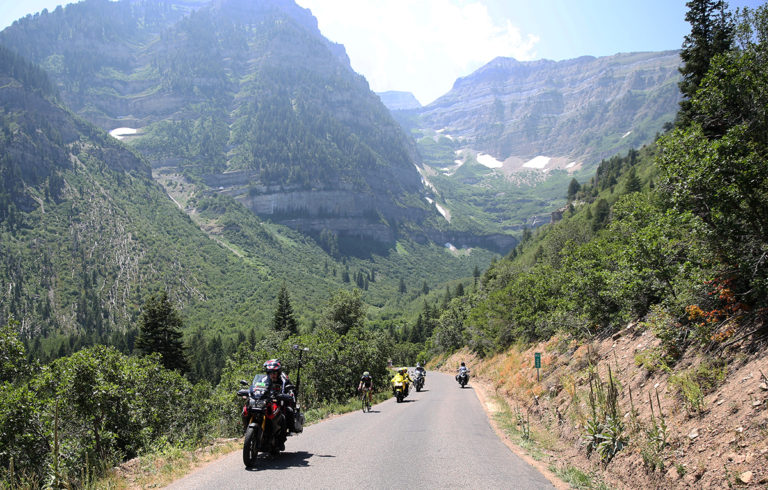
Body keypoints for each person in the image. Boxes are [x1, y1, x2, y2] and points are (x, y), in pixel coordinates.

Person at [263, 359, 295, 450]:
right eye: (270, 372)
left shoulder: (284, 380)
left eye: (275, 373)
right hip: (267, 402)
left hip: (280, 403)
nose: (272, 374)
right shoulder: (265, 379)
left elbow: (290, 390)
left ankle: (281, 440)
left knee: (286, 413)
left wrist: (288, 394)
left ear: (278, 373)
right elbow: (257, 386)